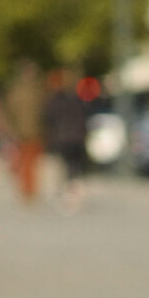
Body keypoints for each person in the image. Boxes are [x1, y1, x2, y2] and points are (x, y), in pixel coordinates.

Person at [44, 69, 89, 212]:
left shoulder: (56, 100)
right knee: (74, 168)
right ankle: (73, 193)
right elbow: (84, 118)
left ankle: (68, 195)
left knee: (66, 168)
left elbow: (49, 118)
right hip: (76, 138)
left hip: (63, 138)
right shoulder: (77, 99)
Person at [4, 60, 45, 203]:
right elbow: (9, 111)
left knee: (31, 164)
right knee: (24, 163)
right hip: (21, 132)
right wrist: (11, 128)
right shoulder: (18, 90)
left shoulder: (38, 90)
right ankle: (26, 191)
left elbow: (44, 112)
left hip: (35, 132)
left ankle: (30, 191)